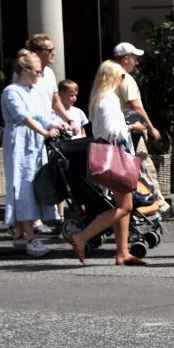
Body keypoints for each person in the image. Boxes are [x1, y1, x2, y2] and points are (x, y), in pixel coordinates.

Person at [68, 60, 146, 266]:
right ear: (114, 77)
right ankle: (82, 238)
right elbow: (113, 131)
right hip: (117, 157)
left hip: (109, 156)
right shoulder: (109, 100)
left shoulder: (100, 100)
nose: (123, 80)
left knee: (123, 205)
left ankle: (122, 252)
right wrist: (130, 128)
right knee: (125, 206)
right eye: (122, 77)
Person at [1, 50, 65, 256]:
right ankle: (30, 237)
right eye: (37, 72)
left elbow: (40, 114)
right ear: (25, 70)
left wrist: (58, 124)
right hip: (19, 144)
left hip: (35, 144)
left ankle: (20, 234)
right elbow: (24, 117)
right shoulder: (11, 92)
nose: (39, 75)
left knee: (34, 186)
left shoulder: (33, 91)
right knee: (22, 187)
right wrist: (45, 131)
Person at [111, 42, 174, 220]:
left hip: (122, 131)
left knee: (141, 170)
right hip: (131, 131)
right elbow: (135, 106)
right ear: (125, 58)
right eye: (134, 57)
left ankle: (155, 206)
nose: (137, 62)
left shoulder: (111, 77)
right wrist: (151, 127)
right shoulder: (124, 77)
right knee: (144, 168)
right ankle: (160, 207)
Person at [25, 33, 79, 134]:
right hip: (31, 130)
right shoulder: (25, 74)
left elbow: (55, 101)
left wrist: (69, 121)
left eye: (53, 49)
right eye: (49, 50)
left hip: (48, 129)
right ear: (37, 52)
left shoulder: (49, 73)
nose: (53, 53)